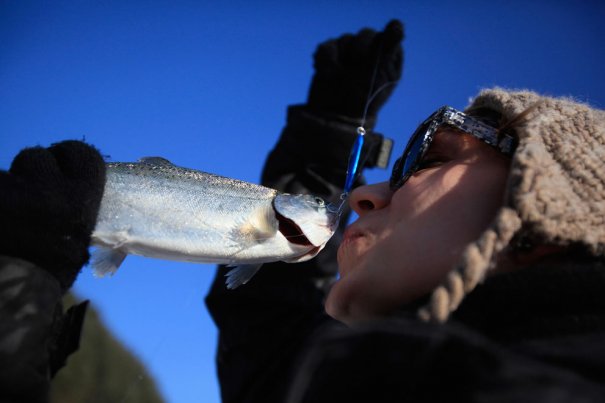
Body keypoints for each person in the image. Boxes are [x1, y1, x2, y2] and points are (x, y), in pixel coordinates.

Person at [205, 20, 605, 403]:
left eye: (427, 160)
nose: (364, 194)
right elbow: (268, 332)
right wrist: (328, 136)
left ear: (552, 195)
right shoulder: (349, 378)